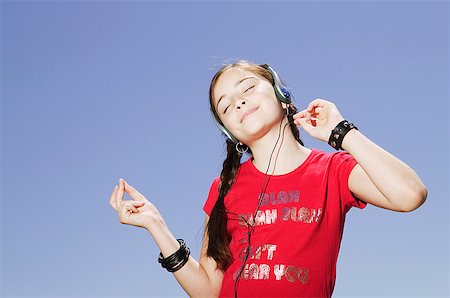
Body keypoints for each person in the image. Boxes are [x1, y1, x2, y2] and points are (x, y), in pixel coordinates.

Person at [109, 60, 428, 297]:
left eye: (247, 87)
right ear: (228, 130)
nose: (239, 102)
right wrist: (157, 226)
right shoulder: (223, 189)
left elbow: (409, 194)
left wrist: (340, 132)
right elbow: (208, 291)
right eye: (225, 105)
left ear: (280, 93)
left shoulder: (332, 170)